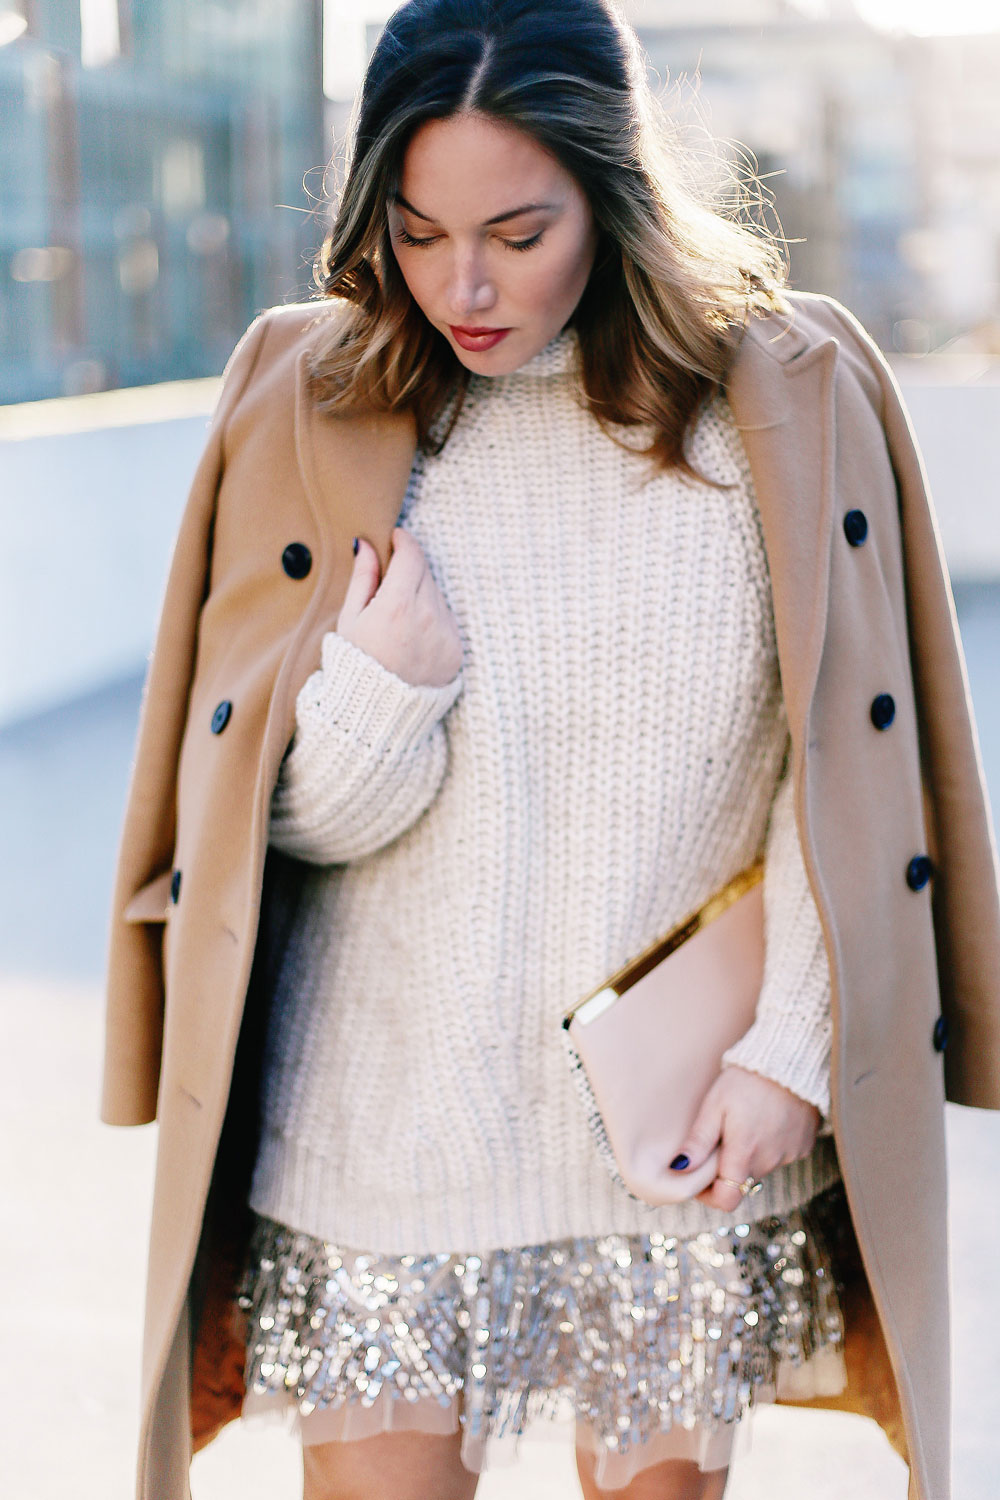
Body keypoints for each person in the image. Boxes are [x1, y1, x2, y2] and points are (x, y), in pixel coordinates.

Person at [99, 2, 1000, 1498]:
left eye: (520, 232)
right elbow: (269, 831)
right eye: (417, 229)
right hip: (380, 1138)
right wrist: (387, 696)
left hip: (674, 1143)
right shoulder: (313, 397)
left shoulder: (776, 400)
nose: (463, 283)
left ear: (613, 192)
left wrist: (791, 1055)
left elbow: (838, 770)